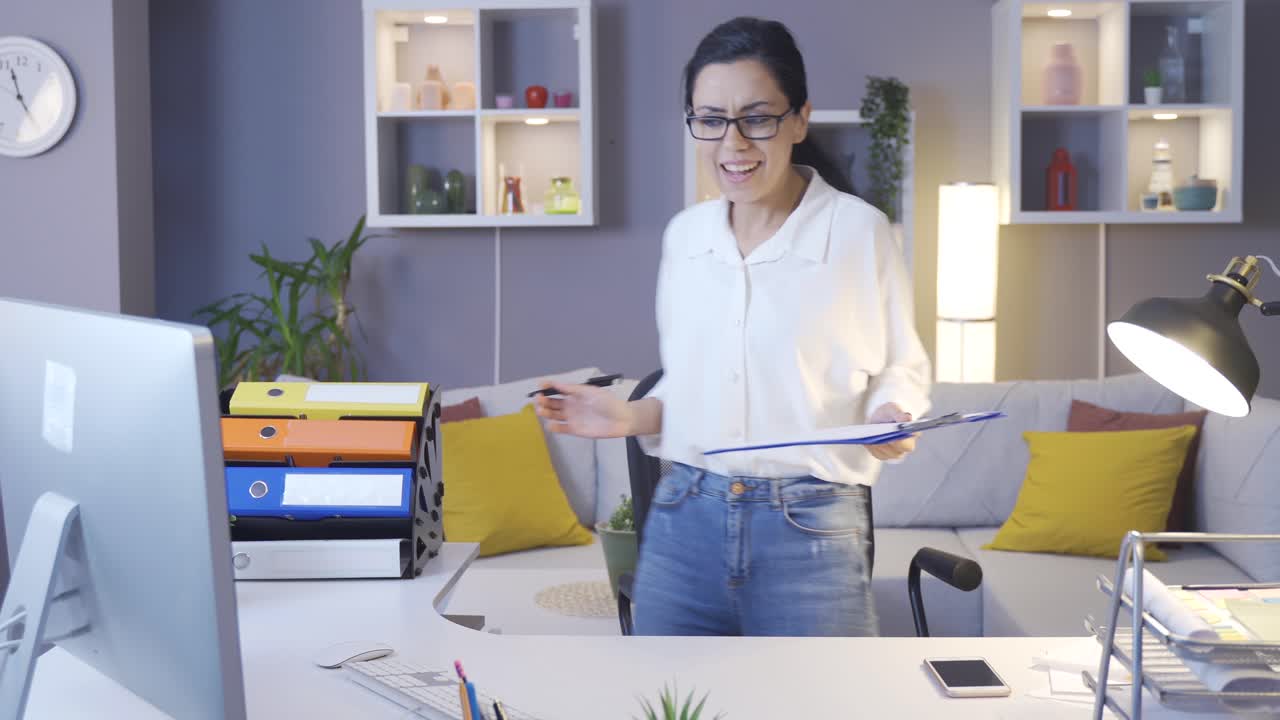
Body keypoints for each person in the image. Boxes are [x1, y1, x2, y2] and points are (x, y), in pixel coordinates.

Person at [533, 16, 930, 637]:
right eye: (711, 118)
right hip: (684, 518)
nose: (733, 142)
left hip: (811, 526)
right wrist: (625, 416)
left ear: (799, 119)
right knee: (672, 704)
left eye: (758, 117)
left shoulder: (858, 232)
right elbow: (690, 392)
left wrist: (890, 414)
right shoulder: (685, 238)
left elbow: (900, 366)